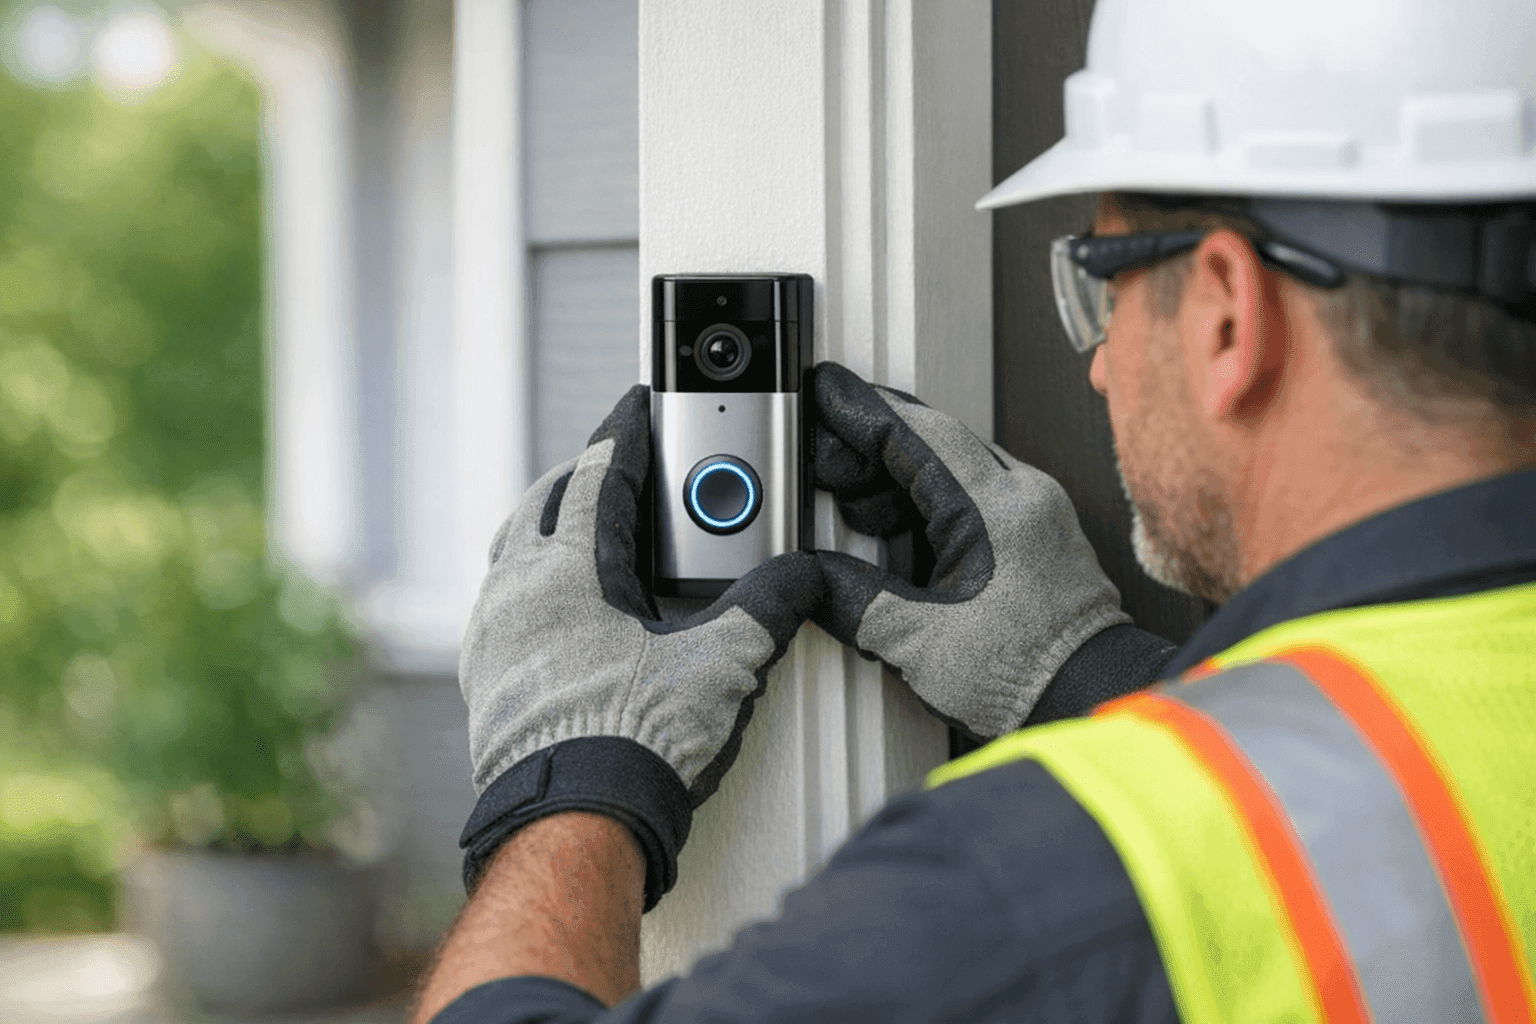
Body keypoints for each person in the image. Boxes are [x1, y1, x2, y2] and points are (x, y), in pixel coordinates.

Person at [412, 0, 1536, 1019]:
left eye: (1104, 283)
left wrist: (565, 783)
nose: (1100, 365)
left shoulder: (1048, 879)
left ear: (1227, 316)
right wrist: (1090, 675)